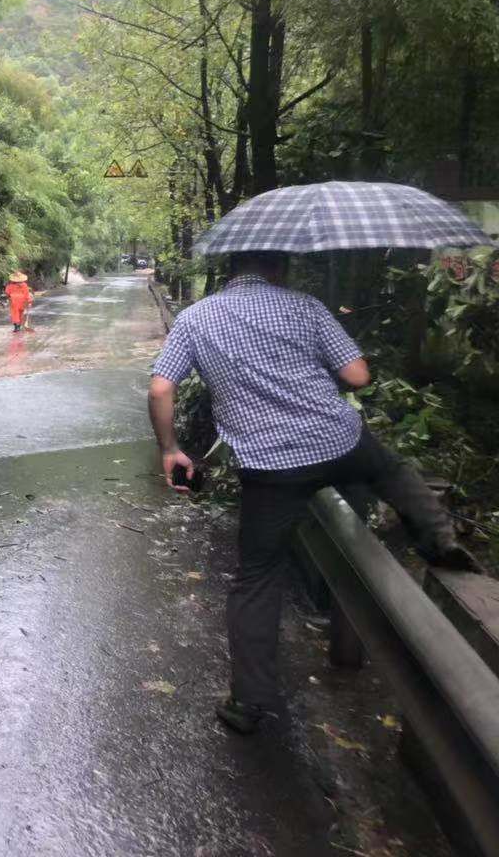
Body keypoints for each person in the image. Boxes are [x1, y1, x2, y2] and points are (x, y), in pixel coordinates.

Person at [146, 250, 479, 735]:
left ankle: (249, 703)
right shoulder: (305, 306)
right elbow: (358, 376)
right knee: (392, 471)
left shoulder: (196, 318)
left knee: (257, 579)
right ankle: (439, 541)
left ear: (233, 270)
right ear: (279, 268)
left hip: (270, 466)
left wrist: (171, 450)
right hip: (337, 441)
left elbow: (160, 390)